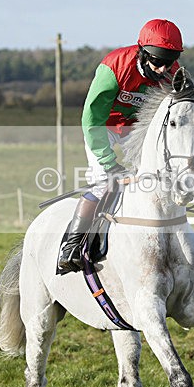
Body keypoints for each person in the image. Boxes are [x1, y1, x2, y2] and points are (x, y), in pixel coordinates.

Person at [57, 19, 183, 273]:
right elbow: (91, 120)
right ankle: (70, 247)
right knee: (104, 181)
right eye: (157, 61)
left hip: (136, 130)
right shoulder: (114, 67)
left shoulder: (172, 72)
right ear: (142, 51)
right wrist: (109, 162)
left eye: (168, 62)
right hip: (103, 127)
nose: (162, 69)